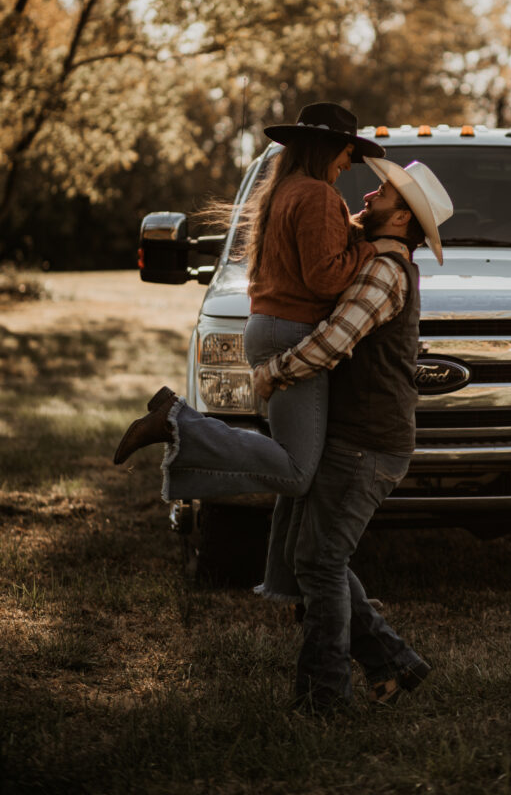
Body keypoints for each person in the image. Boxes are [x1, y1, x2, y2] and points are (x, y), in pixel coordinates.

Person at [113, 103, 404, 528]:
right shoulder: (319, 195)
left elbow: (318, 244)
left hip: (268, 327)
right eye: (346, 152)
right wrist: (372, 249)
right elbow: (324, 278)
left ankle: (287, 580)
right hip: (293, 332)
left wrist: (358, 231)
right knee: (298, 470)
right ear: (326, 147)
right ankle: (179, 422)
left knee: (294, 463)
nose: (348, 163)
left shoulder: (286, 190)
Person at [252, 157, 453, 713]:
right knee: (317, 556)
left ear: (402, 219)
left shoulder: (385, 270)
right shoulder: (383, 263)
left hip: (367, 443)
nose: (369, 196)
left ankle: (324, 695)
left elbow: (332, 343)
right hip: (358, 437)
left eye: (383, 194)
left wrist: (273, 371)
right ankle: (391, 662)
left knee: (318, 560)